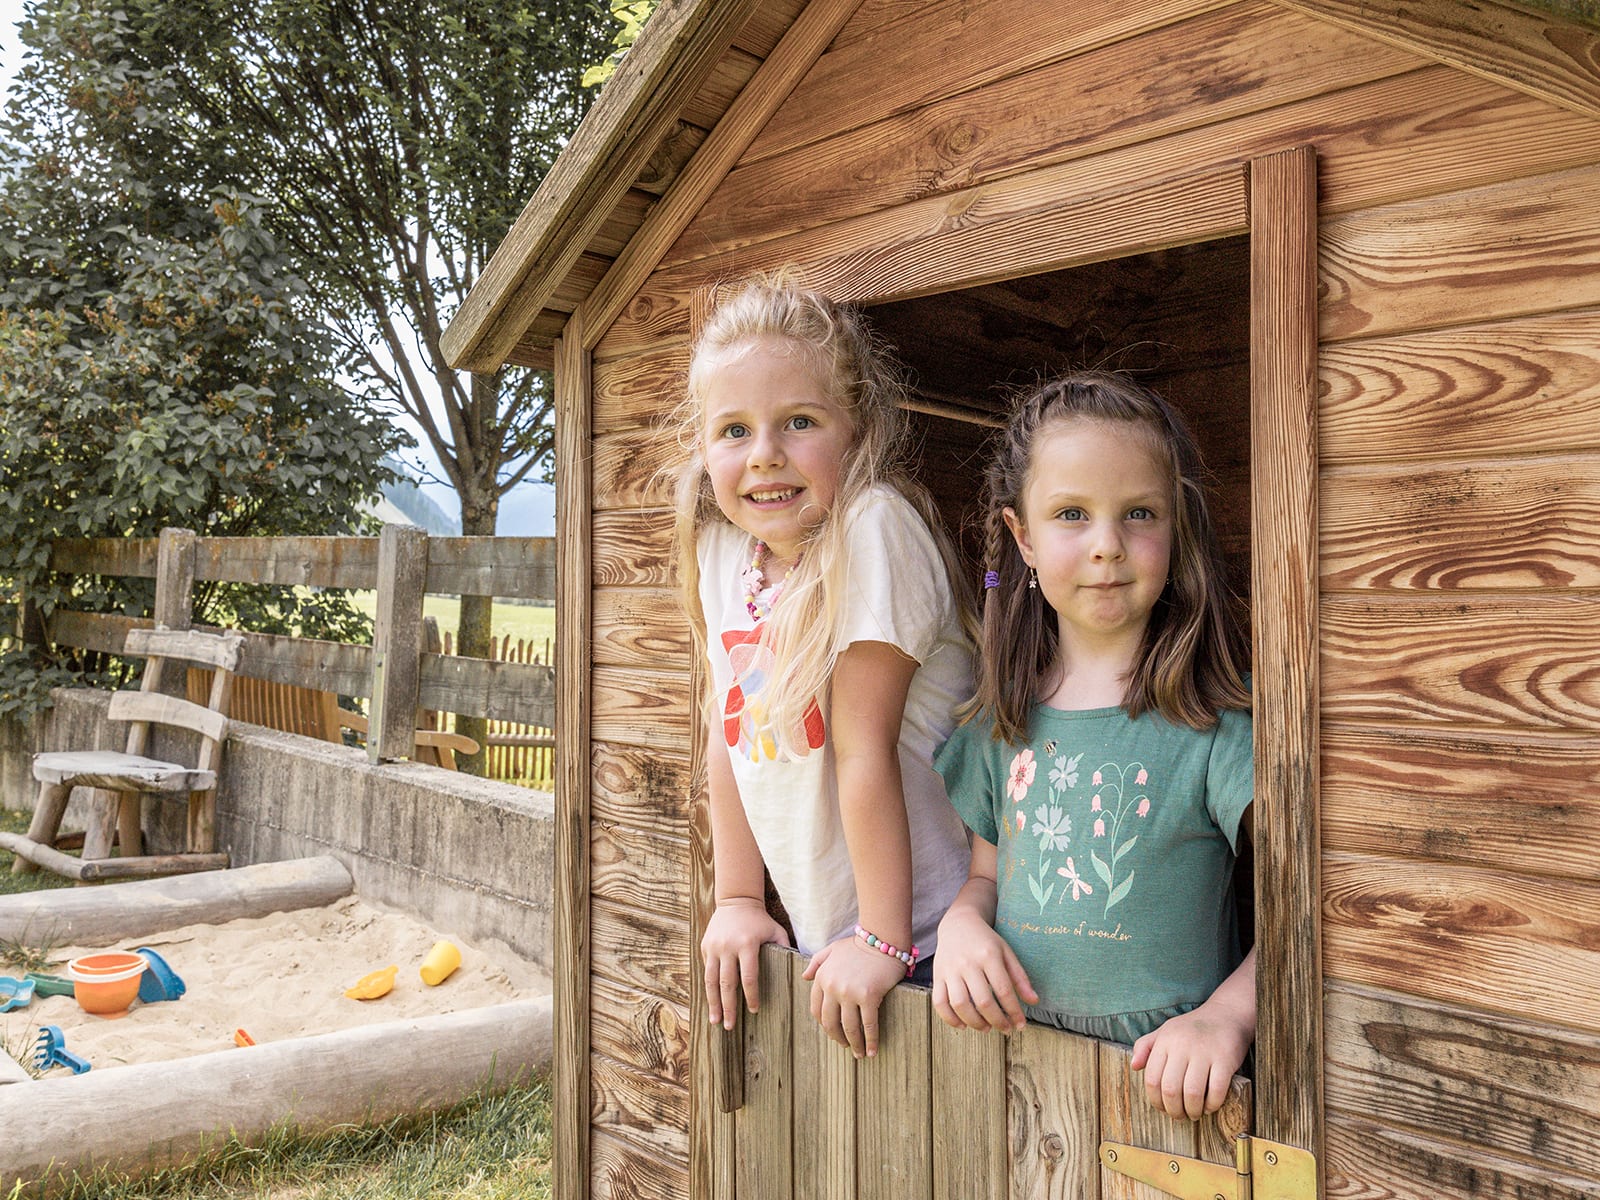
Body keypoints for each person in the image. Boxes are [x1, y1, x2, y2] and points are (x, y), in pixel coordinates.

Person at [932, 371, 1255, 1120]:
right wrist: (960, 925)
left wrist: (1228, 1017)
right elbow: (987, 878)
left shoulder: (1215, 718)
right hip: (1016, 1087)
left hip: (1171, 1091)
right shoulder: (1000, 721)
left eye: (1139, 513)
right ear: (1023, 537)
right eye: (1072, 514)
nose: (1108, 546)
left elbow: (1308, 911)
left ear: (1176, 526)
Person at [675, 274, 975, 1060]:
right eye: (733, 430)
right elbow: (727, 733)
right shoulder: (723, 551)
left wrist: (882, 938)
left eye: (799, 422)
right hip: (830, 942)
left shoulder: (873, 527)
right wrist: (737, 899)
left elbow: (862, 748)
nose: (764, 456)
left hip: (931, 936)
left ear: (856, 428)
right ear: (703, 447)